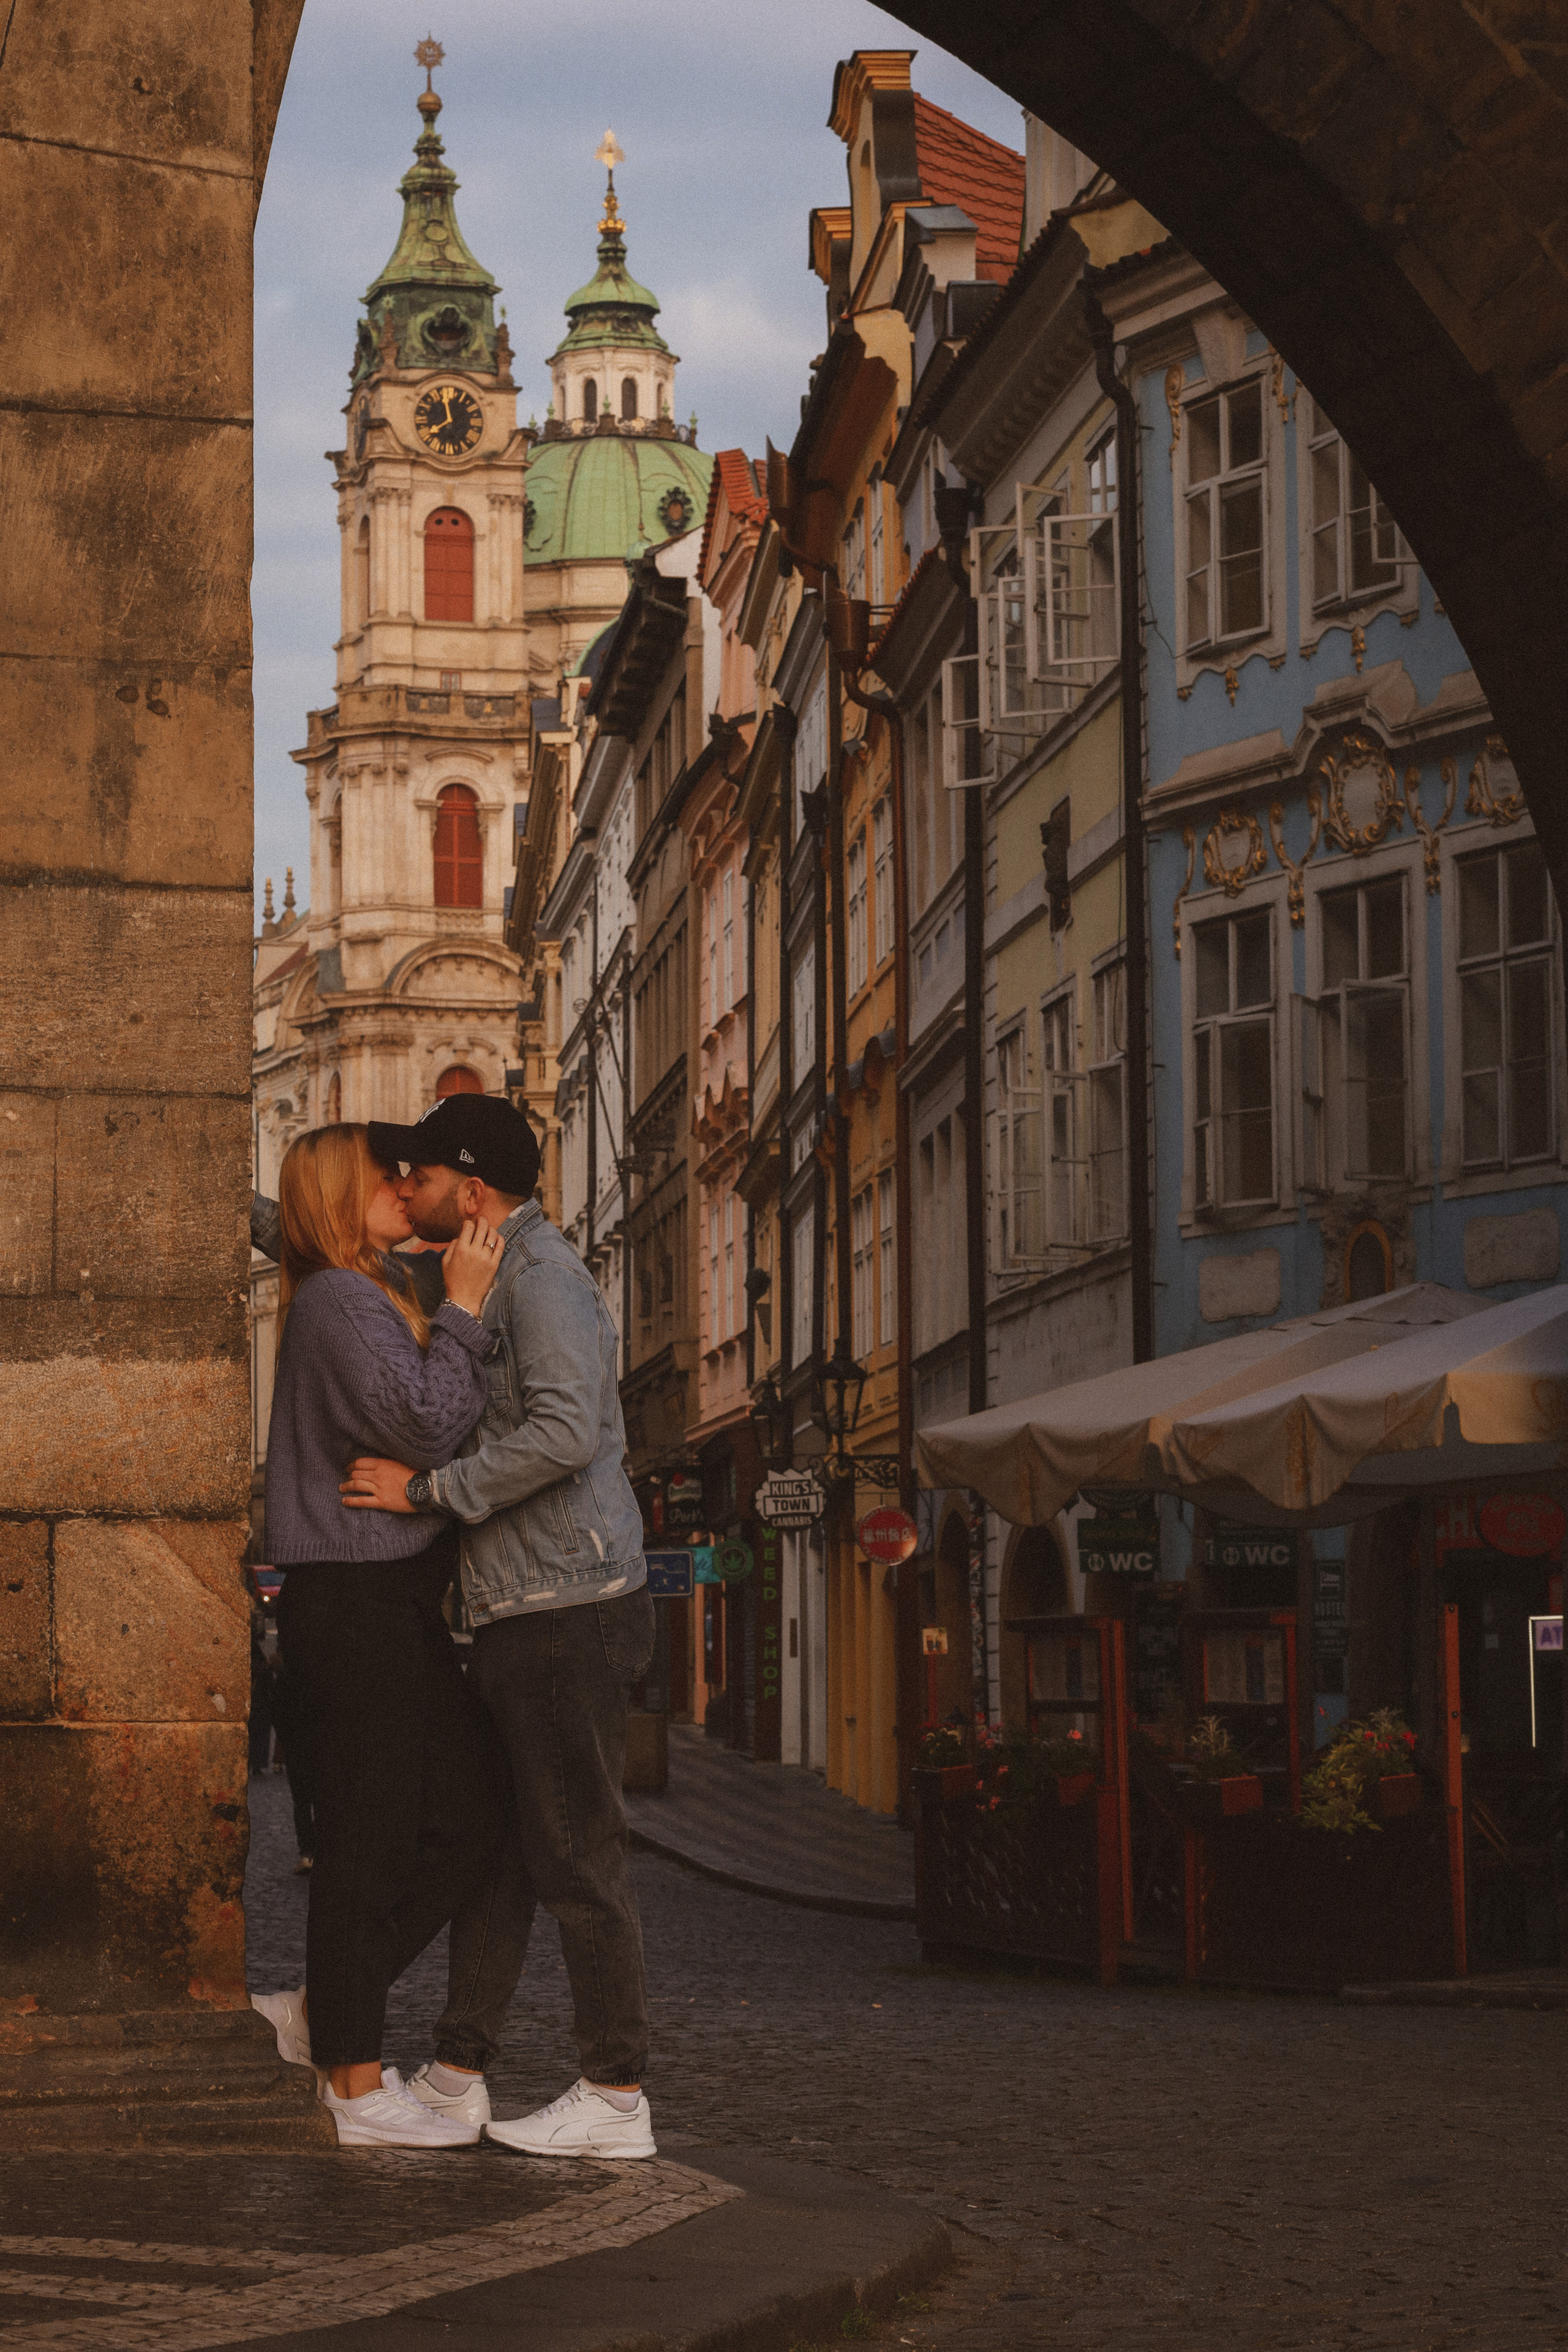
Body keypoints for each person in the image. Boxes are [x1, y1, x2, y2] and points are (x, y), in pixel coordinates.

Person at [339, 1093, 657, 2160]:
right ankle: (456, 2069)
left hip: (568, 1606)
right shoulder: (480, 1270)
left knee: (575, 1858)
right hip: (524, 1608)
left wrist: (431, 1491)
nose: (404, 1193)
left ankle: (615, 2093)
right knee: (507, 1854)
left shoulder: (545, 1278)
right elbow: (353, 1259)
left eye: (417, 1178)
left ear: (469, 1190)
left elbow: (568, 1431)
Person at [250, 1122, 506, 2149]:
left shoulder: (355, 1295)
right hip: (357, 1606)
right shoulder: (342, 1299)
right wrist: (469, 1311)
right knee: (367, 1842)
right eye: (383, 1174)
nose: (405, 1184)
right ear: (336, 1197)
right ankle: (354, 2087)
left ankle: (326, 2014)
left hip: (380, 1603)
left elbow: (420, 1438)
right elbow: (430, 1421)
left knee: (473, 1814)